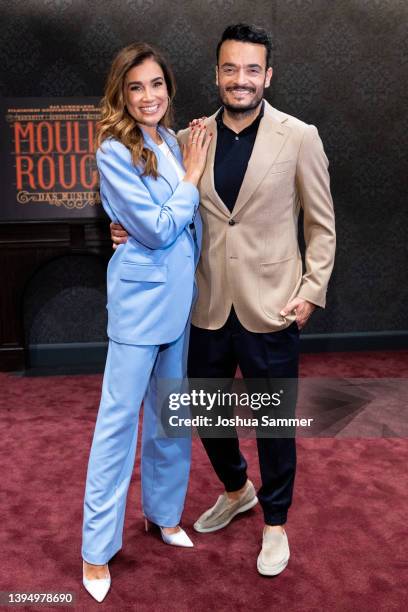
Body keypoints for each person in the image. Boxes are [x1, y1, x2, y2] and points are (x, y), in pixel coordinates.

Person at [111, 24, 336, 577]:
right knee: (204, 416)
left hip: (273, 305)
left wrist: (310, 292)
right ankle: (237, 489)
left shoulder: (299, 136)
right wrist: (125, 229)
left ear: (268, 76)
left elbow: (322, 226)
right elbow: (165, 208)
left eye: (252, 69)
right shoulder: (187, 138)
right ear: (216, 74)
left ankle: (275, 523)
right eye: (230, 69)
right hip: (204, 304)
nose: (241, 80)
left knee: (274, 424)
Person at [81, 42, 211, 602]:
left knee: (169, 419)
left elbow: (175, 227)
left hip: (179, 303)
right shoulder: (114, 149)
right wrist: (190, 184)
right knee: (118, 427)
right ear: (121, 94)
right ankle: (95, 550)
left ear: (168, 88)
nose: (148, 96)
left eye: (156, 84)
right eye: (135, 87)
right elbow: (158, 229)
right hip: (138, 309)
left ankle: (163, 515)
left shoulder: (173, 142)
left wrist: (175, 199)